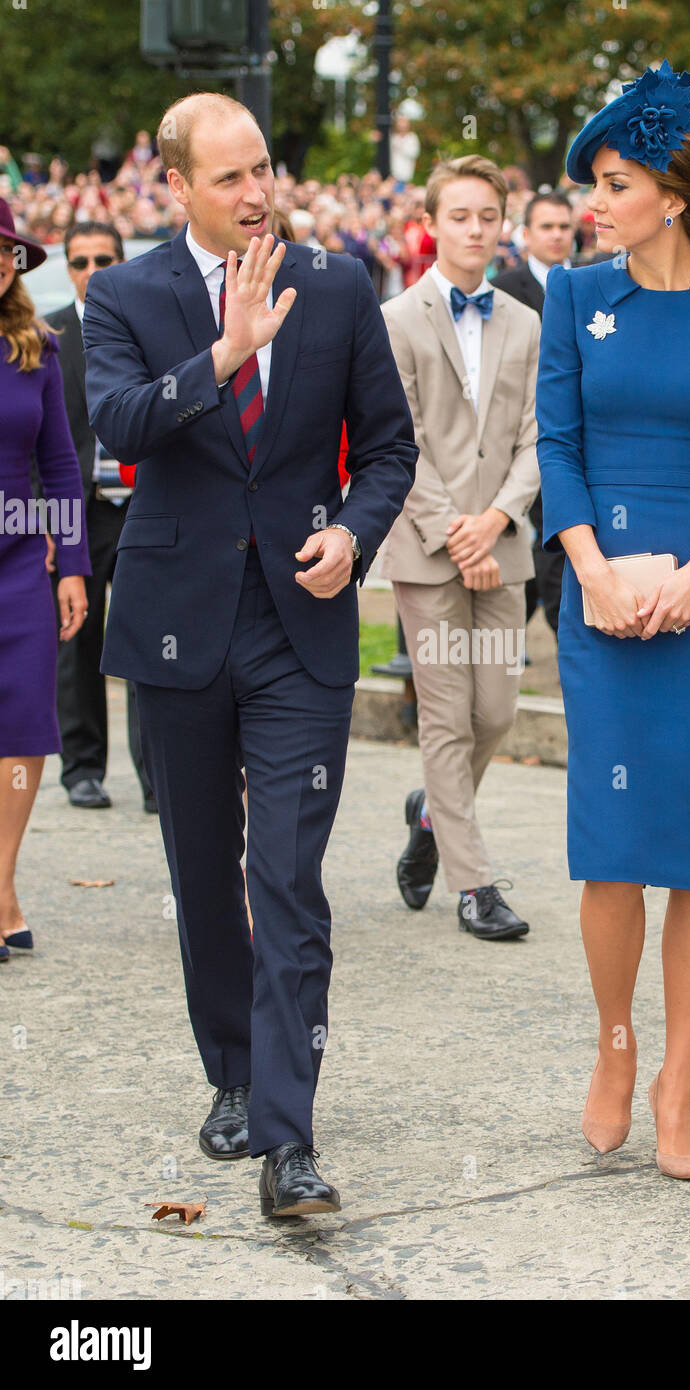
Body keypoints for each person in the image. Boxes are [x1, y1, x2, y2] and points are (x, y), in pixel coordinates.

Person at [81, 93, 417, 1217]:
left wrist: (354, 534)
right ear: (175, 185)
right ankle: (232, 1070)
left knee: (286, 878)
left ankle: (289, 1136)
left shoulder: (337, 288)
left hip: (298, 628)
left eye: (262, 169)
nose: (256, 192)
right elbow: (119, 426)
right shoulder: (124, 294)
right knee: (202, 876)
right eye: (228, 177)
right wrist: (223, 352)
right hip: (176, 627)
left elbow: (387, 449)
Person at [536, 61, 690, 1178]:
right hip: (601, 603)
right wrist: (589, 569)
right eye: (594, 180)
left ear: (670, 198)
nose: (596, 199)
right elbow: (558, 446)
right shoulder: (571, 297)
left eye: (616, 180)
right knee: (612, 849)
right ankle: (615, 1046)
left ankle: (679, 1079)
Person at [381, 154, 541, 941]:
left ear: (502, 225)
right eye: (459, 216)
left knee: (497, 712)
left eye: (487, 216)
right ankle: (475, 886)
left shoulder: (526, 322)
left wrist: (499, 520)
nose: (475, 229)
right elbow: (398, 441)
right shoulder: (397, 319)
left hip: (503, 545)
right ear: (431, 223)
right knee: (445, 717)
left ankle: (430, 818)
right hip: (427, 546)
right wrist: (455, 528)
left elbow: (541, 437)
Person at [0, 198, 90, 961]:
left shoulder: (39, 347)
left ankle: (1, 884)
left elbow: (60, 465)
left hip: (24, 561)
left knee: (25, 724)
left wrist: (74, 565)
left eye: (8, 252)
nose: (1, 261)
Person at [45, 221, 154, 813]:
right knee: (76, 638)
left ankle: (158, 777)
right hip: (76, 511)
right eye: (81, 261)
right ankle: (82, 767)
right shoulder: (47, 333)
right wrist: (42, 523)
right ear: (67, 267)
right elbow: (35, 440)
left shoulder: (149, 323)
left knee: (148, 643)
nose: (93, 271)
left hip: (144, 507)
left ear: (122, 261)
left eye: (104, 258)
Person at [493, 192, 574, 640]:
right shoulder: (505, 288)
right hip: (522, 429)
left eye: (564, 226)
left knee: (556, 530)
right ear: (526, 235)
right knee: (539, 530)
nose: (557, 235)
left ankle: (541, 623)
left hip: (576, 433)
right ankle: (544, 620)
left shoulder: (591, 281)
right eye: (547, 227)